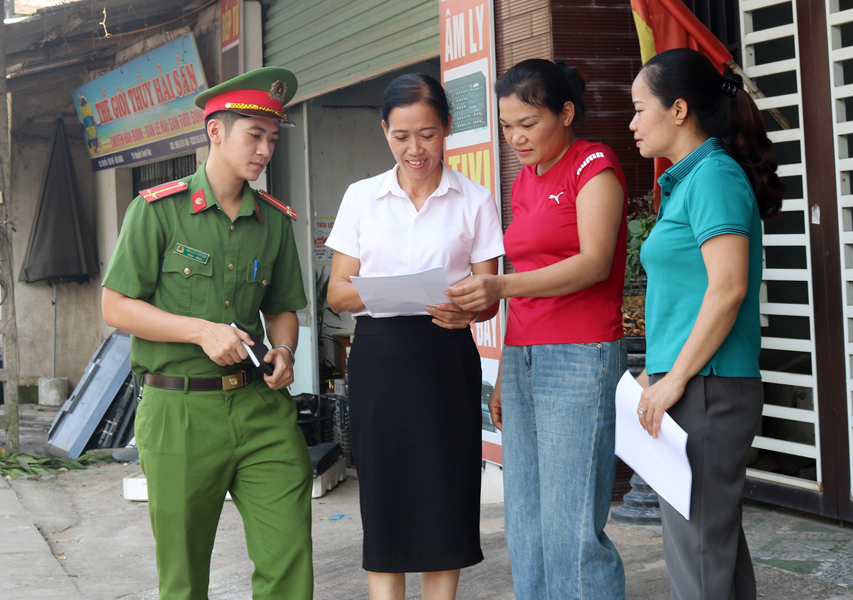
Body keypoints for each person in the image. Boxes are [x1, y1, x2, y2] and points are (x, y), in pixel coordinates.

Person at [101, 67, 313, 600]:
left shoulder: (274, 221)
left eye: (272, 138)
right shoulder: (158, 212)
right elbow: (115, 306)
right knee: (184, 575)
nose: (265, 150)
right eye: (254, 135)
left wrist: (284, 349)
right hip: (180, 415)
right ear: (215, 132)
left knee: (288, 557)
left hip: (261, 410)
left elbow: (284, 307)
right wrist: (199, 331)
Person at [445, 59, 628, 599]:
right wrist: (503, 368)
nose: (515, 137)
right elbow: (525, 278)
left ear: (565, 112)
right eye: (506, 126)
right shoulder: (525, 181)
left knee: (572, 521)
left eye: (527, 122)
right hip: (525, 357)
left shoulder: (593, 164)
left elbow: (594, 261)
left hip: (581, 354)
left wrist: (498, 289)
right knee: (524, 513)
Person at [324, 73, 505, 600]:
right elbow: (338, 292)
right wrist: (390, 291)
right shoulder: (362, 198)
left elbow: (490, 294)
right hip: (379, 358)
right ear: (384, 132)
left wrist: (465, 306)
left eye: (427, 134)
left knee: (443, 490)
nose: (415, 148)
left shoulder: (474, 199)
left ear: (447, 128)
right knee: (385, 491)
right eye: (402, 136)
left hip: (444, 354)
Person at [629, 48, 784, 600]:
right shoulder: (688, 181)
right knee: (712, 552)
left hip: (708, 388)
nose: (632, 123)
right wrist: (660, 372)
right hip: (693, 384)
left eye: (639, 108)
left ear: (678, 110)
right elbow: (693, 294)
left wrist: (675, 378)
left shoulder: (714, 177)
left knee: (698, 557)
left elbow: (728, 288)